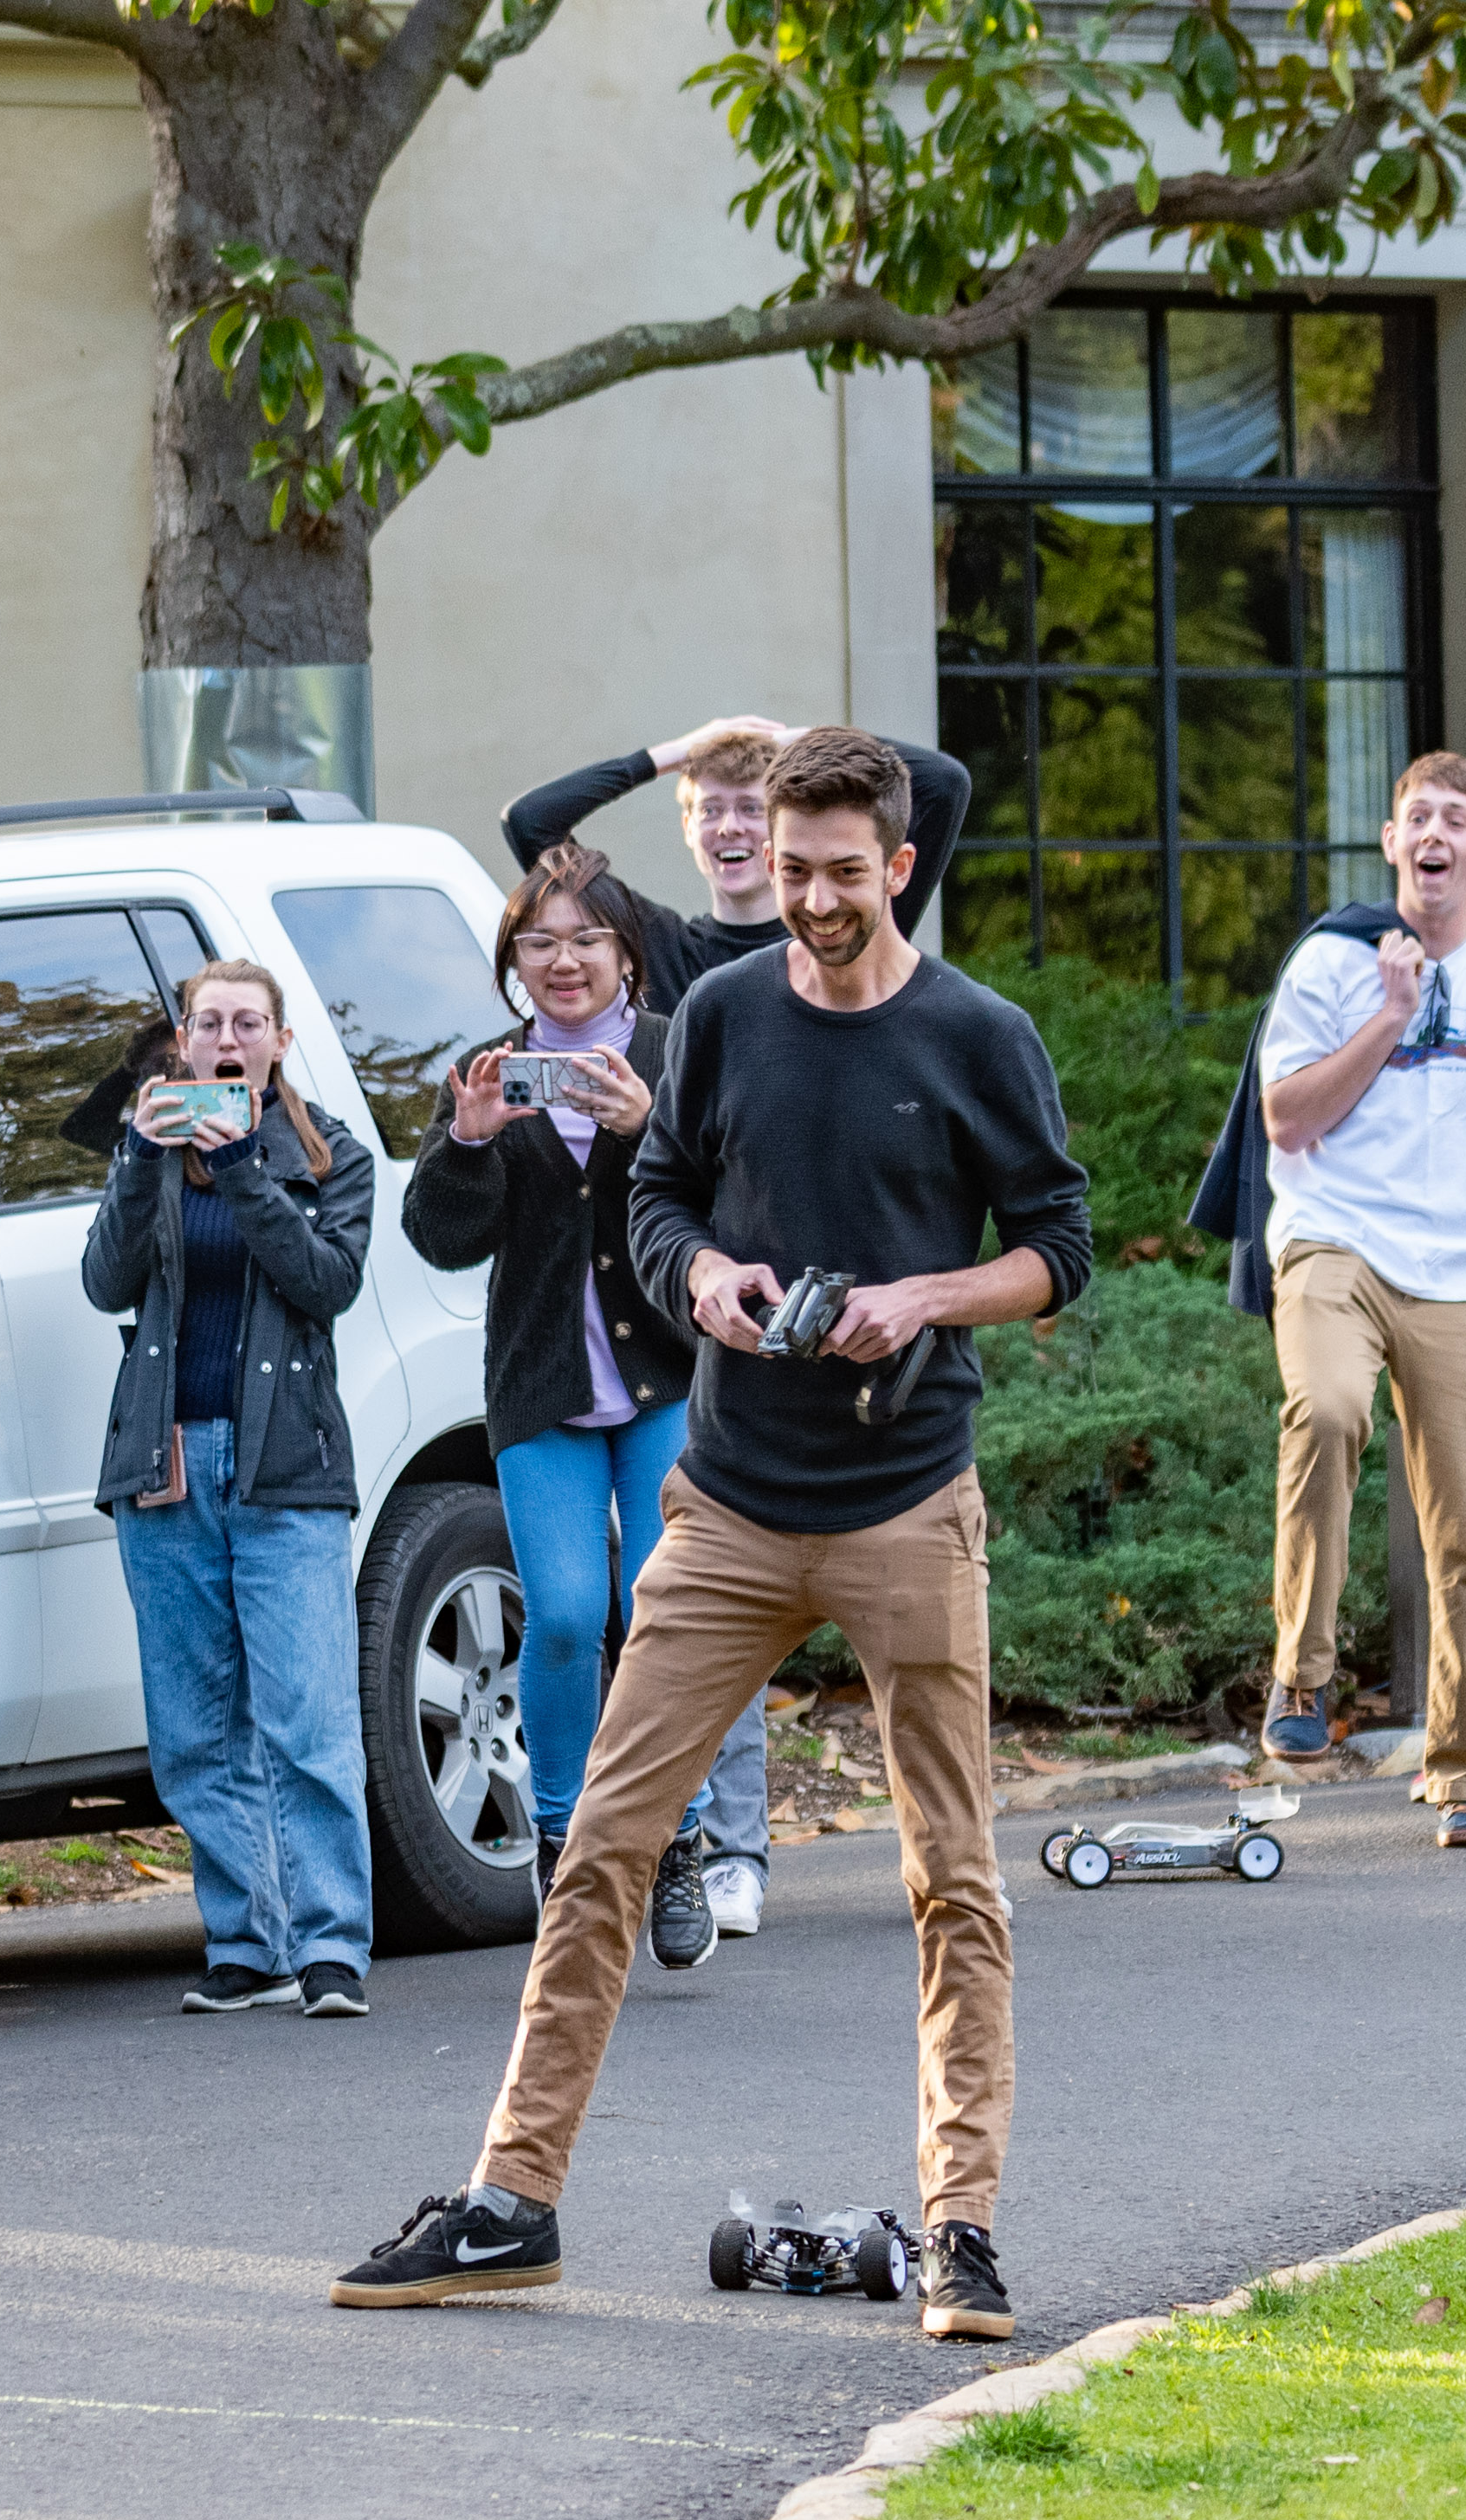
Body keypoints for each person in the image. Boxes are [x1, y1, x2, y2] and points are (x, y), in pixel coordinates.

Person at [334, 730, 1090, 2339]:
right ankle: (509, 2203)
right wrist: (700, 1282)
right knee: (602, 1847)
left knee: (951, 1880)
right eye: (790, 870)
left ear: (897, 864)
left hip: (904, 1505)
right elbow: (659, 1192)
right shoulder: (721, 1019)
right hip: (730, 1509)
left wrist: (921, 1300)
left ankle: (957, 2230)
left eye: (840, 871)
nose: (811, 899)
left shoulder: (976, 1034)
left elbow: (1057, 1242)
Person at [399, 843, 769, 1970]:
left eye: (586, 940)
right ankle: (563, 1850)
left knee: (666, 1618)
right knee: (561, 1618)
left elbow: (746, 1208)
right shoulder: (487, 1071)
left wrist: (643, 1124)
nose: (564, 962)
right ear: (514, 961)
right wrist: (467, 1145)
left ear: (627, 954)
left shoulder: (677, 1053)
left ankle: (680, 1841)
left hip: (667, 1379)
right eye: (539, 943)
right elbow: (441, 1240)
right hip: (544, 1386)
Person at [1251, 753, 1466, 1845]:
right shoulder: (1330, 965)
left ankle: (1465, 1770)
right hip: (1335, 1243)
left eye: (1457, 819)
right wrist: (1388, 1016)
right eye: (1417, 819)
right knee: (1331, 1409)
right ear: (1393, 844)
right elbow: (1287, 1119)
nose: (1435, 834)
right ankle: (1303, 1679)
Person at [84, 959, 380, 2018]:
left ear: (277, 1043)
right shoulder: (153, 1151)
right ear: (184, 1041)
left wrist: (246, 1162)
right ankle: (247, 1940)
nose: (224, 1037)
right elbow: (103, 1284)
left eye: (245, 1022)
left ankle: (332, 1944)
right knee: (196, 1726)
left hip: (285, 1465)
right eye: (207, 1022)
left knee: (306, 1717)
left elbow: (326, 1283)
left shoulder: (327, 1154)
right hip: (163, 1463)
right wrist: (135, 1156)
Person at [501, 715, 972, 1013]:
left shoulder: (844, 928)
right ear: (688, 827)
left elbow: (943, 782)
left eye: (750, 808)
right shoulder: (659, 946)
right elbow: (530, 822)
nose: (728, 827)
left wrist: (793, 740)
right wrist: (675, 754)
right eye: (710, 809)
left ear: (779, 831)